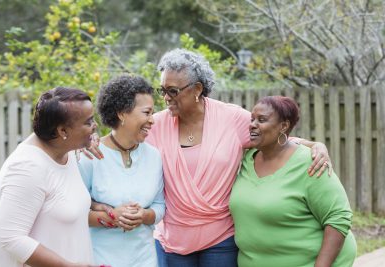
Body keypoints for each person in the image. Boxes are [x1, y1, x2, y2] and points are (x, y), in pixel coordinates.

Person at [86, 49, 332, 267]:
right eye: (163, 90)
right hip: (173, 242)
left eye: (172, 91)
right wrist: (91, 140)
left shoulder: (231, 118)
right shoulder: (156, 124)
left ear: (197, 89)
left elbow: (270, 135)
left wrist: (314, 144)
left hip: (221, 240)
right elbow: (120, 138)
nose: (166, 98)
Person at [229, 96, 356, 267]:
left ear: (284, 125)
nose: (252, 124)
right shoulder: (247, 157)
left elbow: (338, 217)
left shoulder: (310, 162)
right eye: (252, 119)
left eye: (262, 120)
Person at [0, 87, 106, 267]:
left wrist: (85, 136)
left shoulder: (64, 149)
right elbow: (11, 238)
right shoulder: (26, 168)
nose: (95, 126)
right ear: (63, 131)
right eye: (88, 122)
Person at [78, 75, 165, 267]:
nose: (152, 120)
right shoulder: (90, 156)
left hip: (145, 260)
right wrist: (112, 219)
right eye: (147, 112)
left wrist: (143, 215)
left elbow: (160, 206)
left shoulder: (154, 157)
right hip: (100, 259)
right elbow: (74, 213)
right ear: (122, 114)